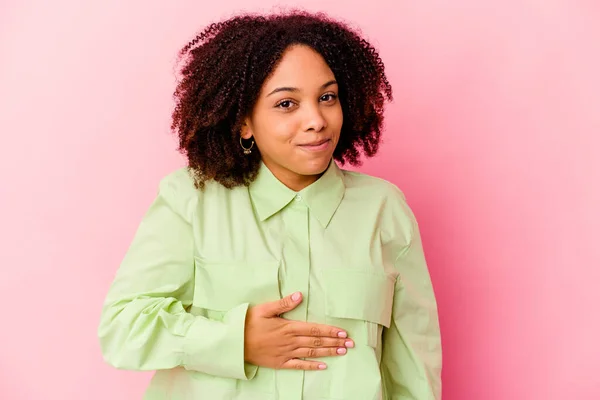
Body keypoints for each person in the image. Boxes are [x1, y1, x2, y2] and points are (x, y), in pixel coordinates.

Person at [98, 10, 442, 400]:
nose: (316, 120)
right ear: (244, 121)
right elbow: (122, 327)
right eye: (286, 104)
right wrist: (236, 341)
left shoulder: (384, 209)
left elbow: (415, 369)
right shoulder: (191, 200)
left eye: (327, 97)